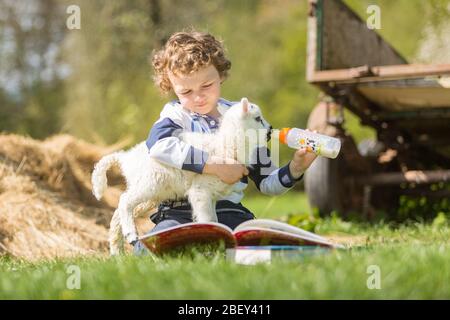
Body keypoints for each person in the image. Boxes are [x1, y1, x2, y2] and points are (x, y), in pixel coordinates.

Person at [133, 30, 317, 254]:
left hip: (229, 210)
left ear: (220, 74)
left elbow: (268, 183)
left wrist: (297, 167)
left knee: (254, 241)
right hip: (178, 210)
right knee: (162, 243)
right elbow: (159, 145)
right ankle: (157, 246)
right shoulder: (175, 115)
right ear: (172, 87)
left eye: (206, 85)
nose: (198, 97)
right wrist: (215, 166)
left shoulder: (244, 116)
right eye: (186, 91)